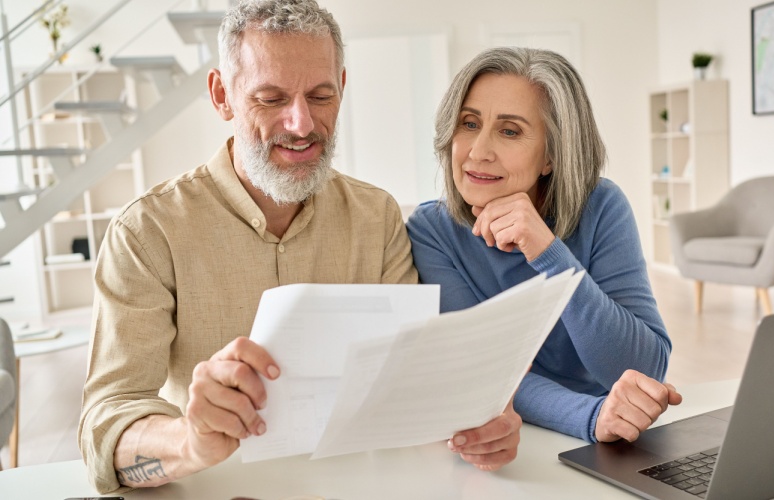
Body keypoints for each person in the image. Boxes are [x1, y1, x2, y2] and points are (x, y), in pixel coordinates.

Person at [78, 1, 518, 493]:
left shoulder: (377, 217)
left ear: (343, 88)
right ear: (222, 95)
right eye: (271, 98)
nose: (302, 124)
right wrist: (189, 442)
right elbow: (107, 423)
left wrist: (475, 420)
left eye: (321, 96)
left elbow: (411, 385)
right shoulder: (147, 231)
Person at [407, 47, 683, 446]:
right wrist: (590, 416)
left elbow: (643, 368)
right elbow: (482, 369)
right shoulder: (431, 230)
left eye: (509, 131)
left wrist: (549, 254)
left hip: (607, 437)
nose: (478, 151)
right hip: (507, 436)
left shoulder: (602, 206)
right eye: (468, 123)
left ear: (551, 155)